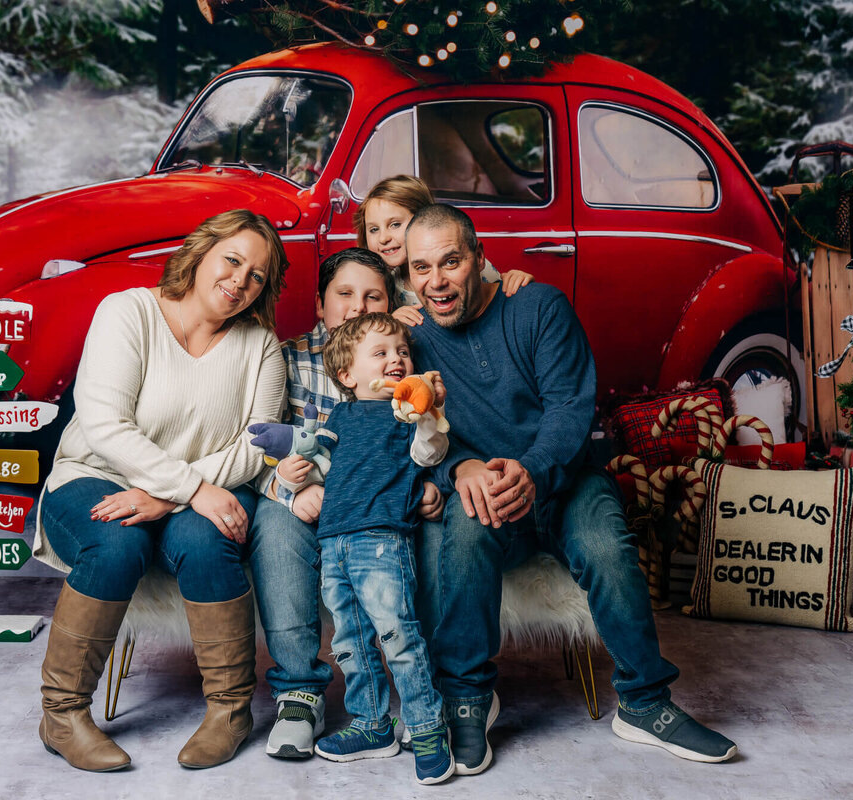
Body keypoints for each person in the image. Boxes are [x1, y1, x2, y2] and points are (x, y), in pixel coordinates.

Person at [402, 203, 739, 774]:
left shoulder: (538, 307)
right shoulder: (412, 339)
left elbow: (569, 408)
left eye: (450, 261)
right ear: (407, 275)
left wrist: (532, 471)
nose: (435, 281)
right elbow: (411, 428)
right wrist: (459, 468)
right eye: (420, 268)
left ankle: (644, 702)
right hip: (486, 490)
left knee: (607, 546)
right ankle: (467, 699)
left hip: (565, 481)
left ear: (479, 259)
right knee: (462, 527)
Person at [31, 209, 289, 772]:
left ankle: (230, 712)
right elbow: (105, 427)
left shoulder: (260, 346)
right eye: (233, 260)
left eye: (258, 275)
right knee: (117, 543)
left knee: (207, 541)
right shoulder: (128, 312)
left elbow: (259, 446)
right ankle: (63, 714)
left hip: (209, 489)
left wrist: (173, 497)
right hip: (98, 474)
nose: (241, 280)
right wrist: (190, 487)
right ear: (200, 253)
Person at [248, 247, 400, 760]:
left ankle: (439, 687)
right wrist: (292, 485)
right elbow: (258, 441)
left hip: (381, 504)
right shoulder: (285, 358)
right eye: (345, 295)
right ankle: (300, 694)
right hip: (307, 497)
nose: (357, 307)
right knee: (274, 521)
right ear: (319, 304)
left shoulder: (400, 357)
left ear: (390, 303)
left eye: (372, 296)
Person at [303, 312, 454, 785]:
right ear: (347, 375)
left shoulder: (407, 414)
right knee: (349, 641)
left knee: (399, 636)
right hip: (334, 540)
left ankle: (428, 728)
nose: (396, 359)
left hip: (382, 540)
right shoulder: (341, 414)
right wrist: (293, 469)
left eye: (402, 352)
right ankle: (371, 725)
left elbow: (431, 453)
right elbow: (317, 456)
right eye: (381, 352)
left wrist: (427, 415)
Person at [353, 174, 533, 310]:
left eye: (395, 224)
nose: (383, 238)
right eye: (374, 229)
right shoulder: (386, 284)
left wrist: (513, 280)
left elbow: (497, 299)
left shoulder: (469, 265)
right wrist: (394, 322)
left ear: (425, 220)